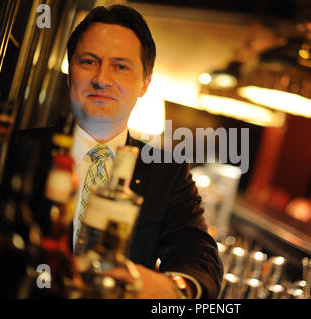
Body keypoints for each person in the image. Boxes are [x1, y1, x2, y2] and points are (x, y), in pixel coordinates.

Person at [64, 5, 222, 299]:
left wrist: (172, 288)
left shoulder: (167, 170)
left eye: (121, 66)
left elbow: (198, 254)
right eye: (88, 61)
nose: (102, 78)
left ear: (144, 84)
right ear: (70, 70)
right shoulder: (18, 148)